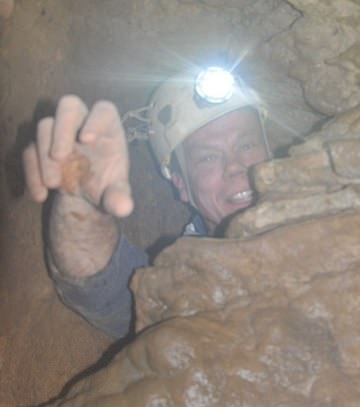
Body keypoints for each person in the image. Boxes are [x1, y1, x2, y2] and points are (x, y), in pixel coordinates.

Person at [22, 67, 272, 339]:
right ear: (180, 184)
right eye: (208, 158)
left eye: (247, 145)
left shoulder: (323, 209)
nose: (235, 167)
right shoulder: (183, 279)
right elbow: (104, 290)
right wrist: (81, 199)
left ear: (271, 151)